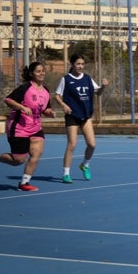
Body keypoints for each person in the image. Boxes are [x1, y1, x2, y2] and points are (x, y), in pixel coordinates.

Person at [0, 62, 56, 191]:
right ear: (32, 74)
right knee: (18, 160)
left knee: (36, 153)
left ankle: (24, 183)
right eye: (38, 71)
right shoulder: (25, 88)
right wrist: (22, 107)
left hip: (36, 128)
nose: (42, 73)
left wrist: (49, 112)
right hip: (18, 128)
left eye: (43, 71)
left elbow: (45, 109)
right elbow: (8, 100)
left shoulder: (45, 91)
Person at [54, 53, 108, 183]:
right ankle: (66, 173)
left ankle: (85, 165)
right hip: (72, 115)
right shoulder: (66, 79)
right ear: (72, 64)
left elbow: (98, 93)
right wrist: (63, 105)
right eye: (78, 64)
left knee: (92, 144)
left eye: (82, 64)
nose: (80, 66)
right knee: (72, 144)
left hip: (85, 115)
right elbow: (56, 95)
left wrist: (104, 86)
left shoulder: (88, 78)